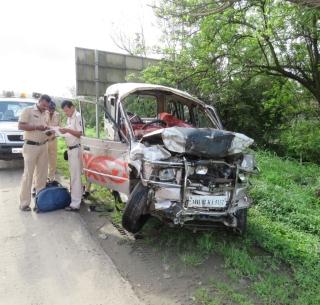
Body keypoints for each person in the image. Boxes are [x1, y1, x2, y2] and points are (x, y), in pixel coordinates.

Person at [18, 94, 51, 211]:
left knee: (42, 176)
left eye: (47, 106)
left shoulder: (46, 113)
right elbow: (20, 126)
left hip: (43, 146)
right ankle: (24, 204)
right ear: (39, 101)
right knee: (28, 175)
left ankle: (40, 202)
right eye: (43, 105)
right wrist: (37, 127)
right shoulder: (28, 110)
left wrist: (50, 131)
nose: (45, 108)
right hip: (30, 147)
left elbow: (45, 128)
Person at [59, 100, 83, 211]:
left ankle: (75, 204)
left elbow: (80, 133)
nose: (66, 113)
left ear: (73, 107)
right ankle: (77, 198)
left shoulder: (78, 116)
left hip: (76, 149)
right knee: (74, 176)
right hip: (71, 150)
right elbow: (71, 132)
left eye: (67, 110)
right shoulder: (70, 118)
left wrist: (67, 129)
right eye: (64, 111)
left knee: (75, 177)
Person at [46, 100, 60, 181]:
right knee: (43, 161)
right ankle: (41, 180)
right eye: (50, 109)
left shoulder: (57, 114)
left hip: (53, 140)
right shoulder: (44, 114)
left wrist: (56, 131)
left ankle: (51, 178)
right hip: (44, 141)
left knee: (53, 160)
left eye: (53, 109)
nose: (51, 111)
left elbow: (59, 126)